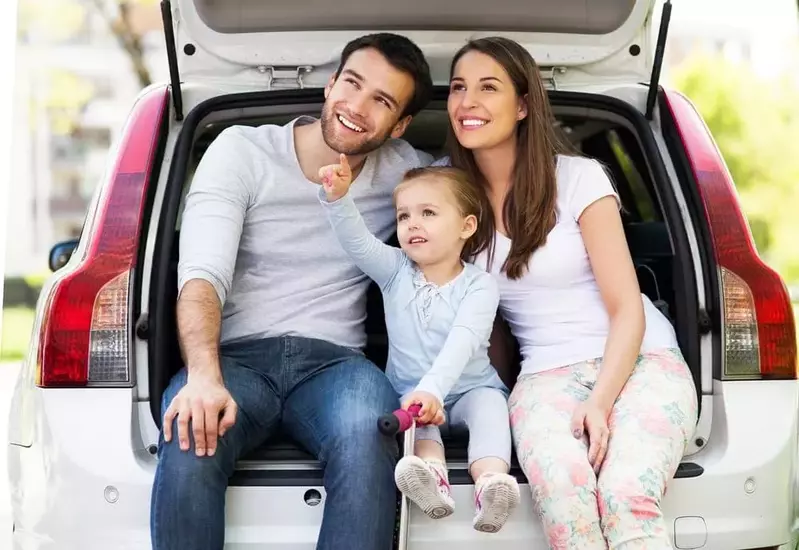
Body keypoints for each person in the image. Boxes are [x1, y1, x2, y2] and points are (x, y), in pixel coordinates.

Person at [150, 33, 434, 550]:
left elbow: (481, 197)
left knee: (372, 431)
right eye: (352, 84)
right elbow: (201, 276)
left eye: (383, 101)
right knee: (189, 427)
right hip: (235, 360)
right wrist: (203, 377)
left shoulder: (405, 170)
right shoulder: (241, 150)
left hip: (335, 366)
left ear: (400, 125)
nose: (358, 108)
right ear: (330, 86)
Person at [440, 37, 699, 549]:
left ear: (522, 105)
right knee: (564, 492)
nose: (467, 102)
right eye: (457, 88)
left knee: (625, 495)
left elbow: (627, 310)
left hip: (640, 359)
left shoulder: (579, 179)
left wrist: (600, 402)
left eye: (487, 88)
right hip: (543, 377)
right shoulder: (448, 202)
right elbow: (477, 321)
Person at [317, 158, 520, 533]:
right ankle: (432, 479)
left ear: (467, 226)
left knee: (492, 409)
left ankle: (490, 484)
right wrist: (339, 198)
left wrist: (434, 390)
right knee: (418, 426)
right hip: (413, 393)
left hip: (471, 387)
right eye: (403, 216)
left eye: (428, 213)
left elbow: (464, 339)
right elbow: (358, 243)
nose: (412, 224)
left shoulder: (479, 285)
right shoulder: (395, 271)